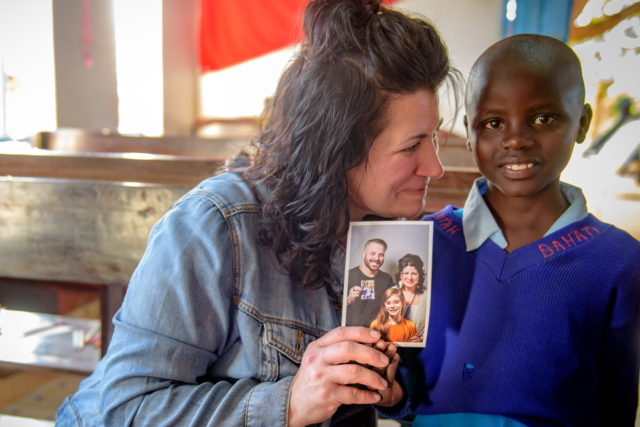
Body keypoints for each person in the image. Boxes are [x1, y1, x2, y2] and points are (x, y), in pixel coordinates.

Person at [55, 0, 461, 425]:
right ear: (339, 148)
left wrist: (392, 392)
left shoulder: (390, 234)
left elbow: (395, 380)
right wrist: (290, 402)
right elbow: (129, 410)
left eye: (432, 138)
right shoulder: (213, 226)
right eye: (411, 146)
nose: (434, 167)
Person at [379, 34, 640, 426]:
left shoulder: (619, 261)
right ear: (470, 133)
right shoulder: (420, 244)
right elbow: (404, 381)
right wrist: (390, 391)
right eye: (494, 123)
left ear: (583, 123)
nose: (516, 139)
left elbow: (617, 404)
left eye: (543, 118)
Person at [346, 238, 394, 327]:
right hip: (350, 332)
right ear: (364, 254)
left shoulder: (387, 279)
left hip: (376, 332)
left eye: (381, 255)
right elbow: (333, 307)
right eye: (372, 253)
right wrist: (348, 300)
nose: (376, 258)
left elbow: (392, 306)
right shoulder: (348, 275)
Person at [395, 253, 428, 341]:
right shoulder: (391, 293)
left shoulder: (427, 296)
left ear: (420, 275)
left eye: (414, 274)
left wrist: (422, 339)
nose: (409, 277)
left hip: (417, 348)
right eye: (406, 273)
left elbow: (434, 324)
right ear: (400, 275)